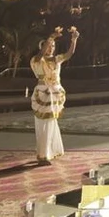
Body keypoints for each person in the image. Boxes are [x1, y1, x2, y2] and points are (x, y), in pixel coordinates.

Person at [30, 26, 79, 164]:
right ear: (43, 47)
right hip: (42, 95)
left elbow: (69, 54)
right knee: (43, 125)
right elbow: (40, 54)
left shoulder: (57, 60)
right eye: (48, 45)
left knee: (51, 124)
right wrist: (51, 36)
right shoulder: (36, 60)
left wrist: (74, 40)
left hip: (55, 95)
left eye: (53, 46)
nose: (51, 48)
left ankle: (49, 152)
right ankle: (42, 155)